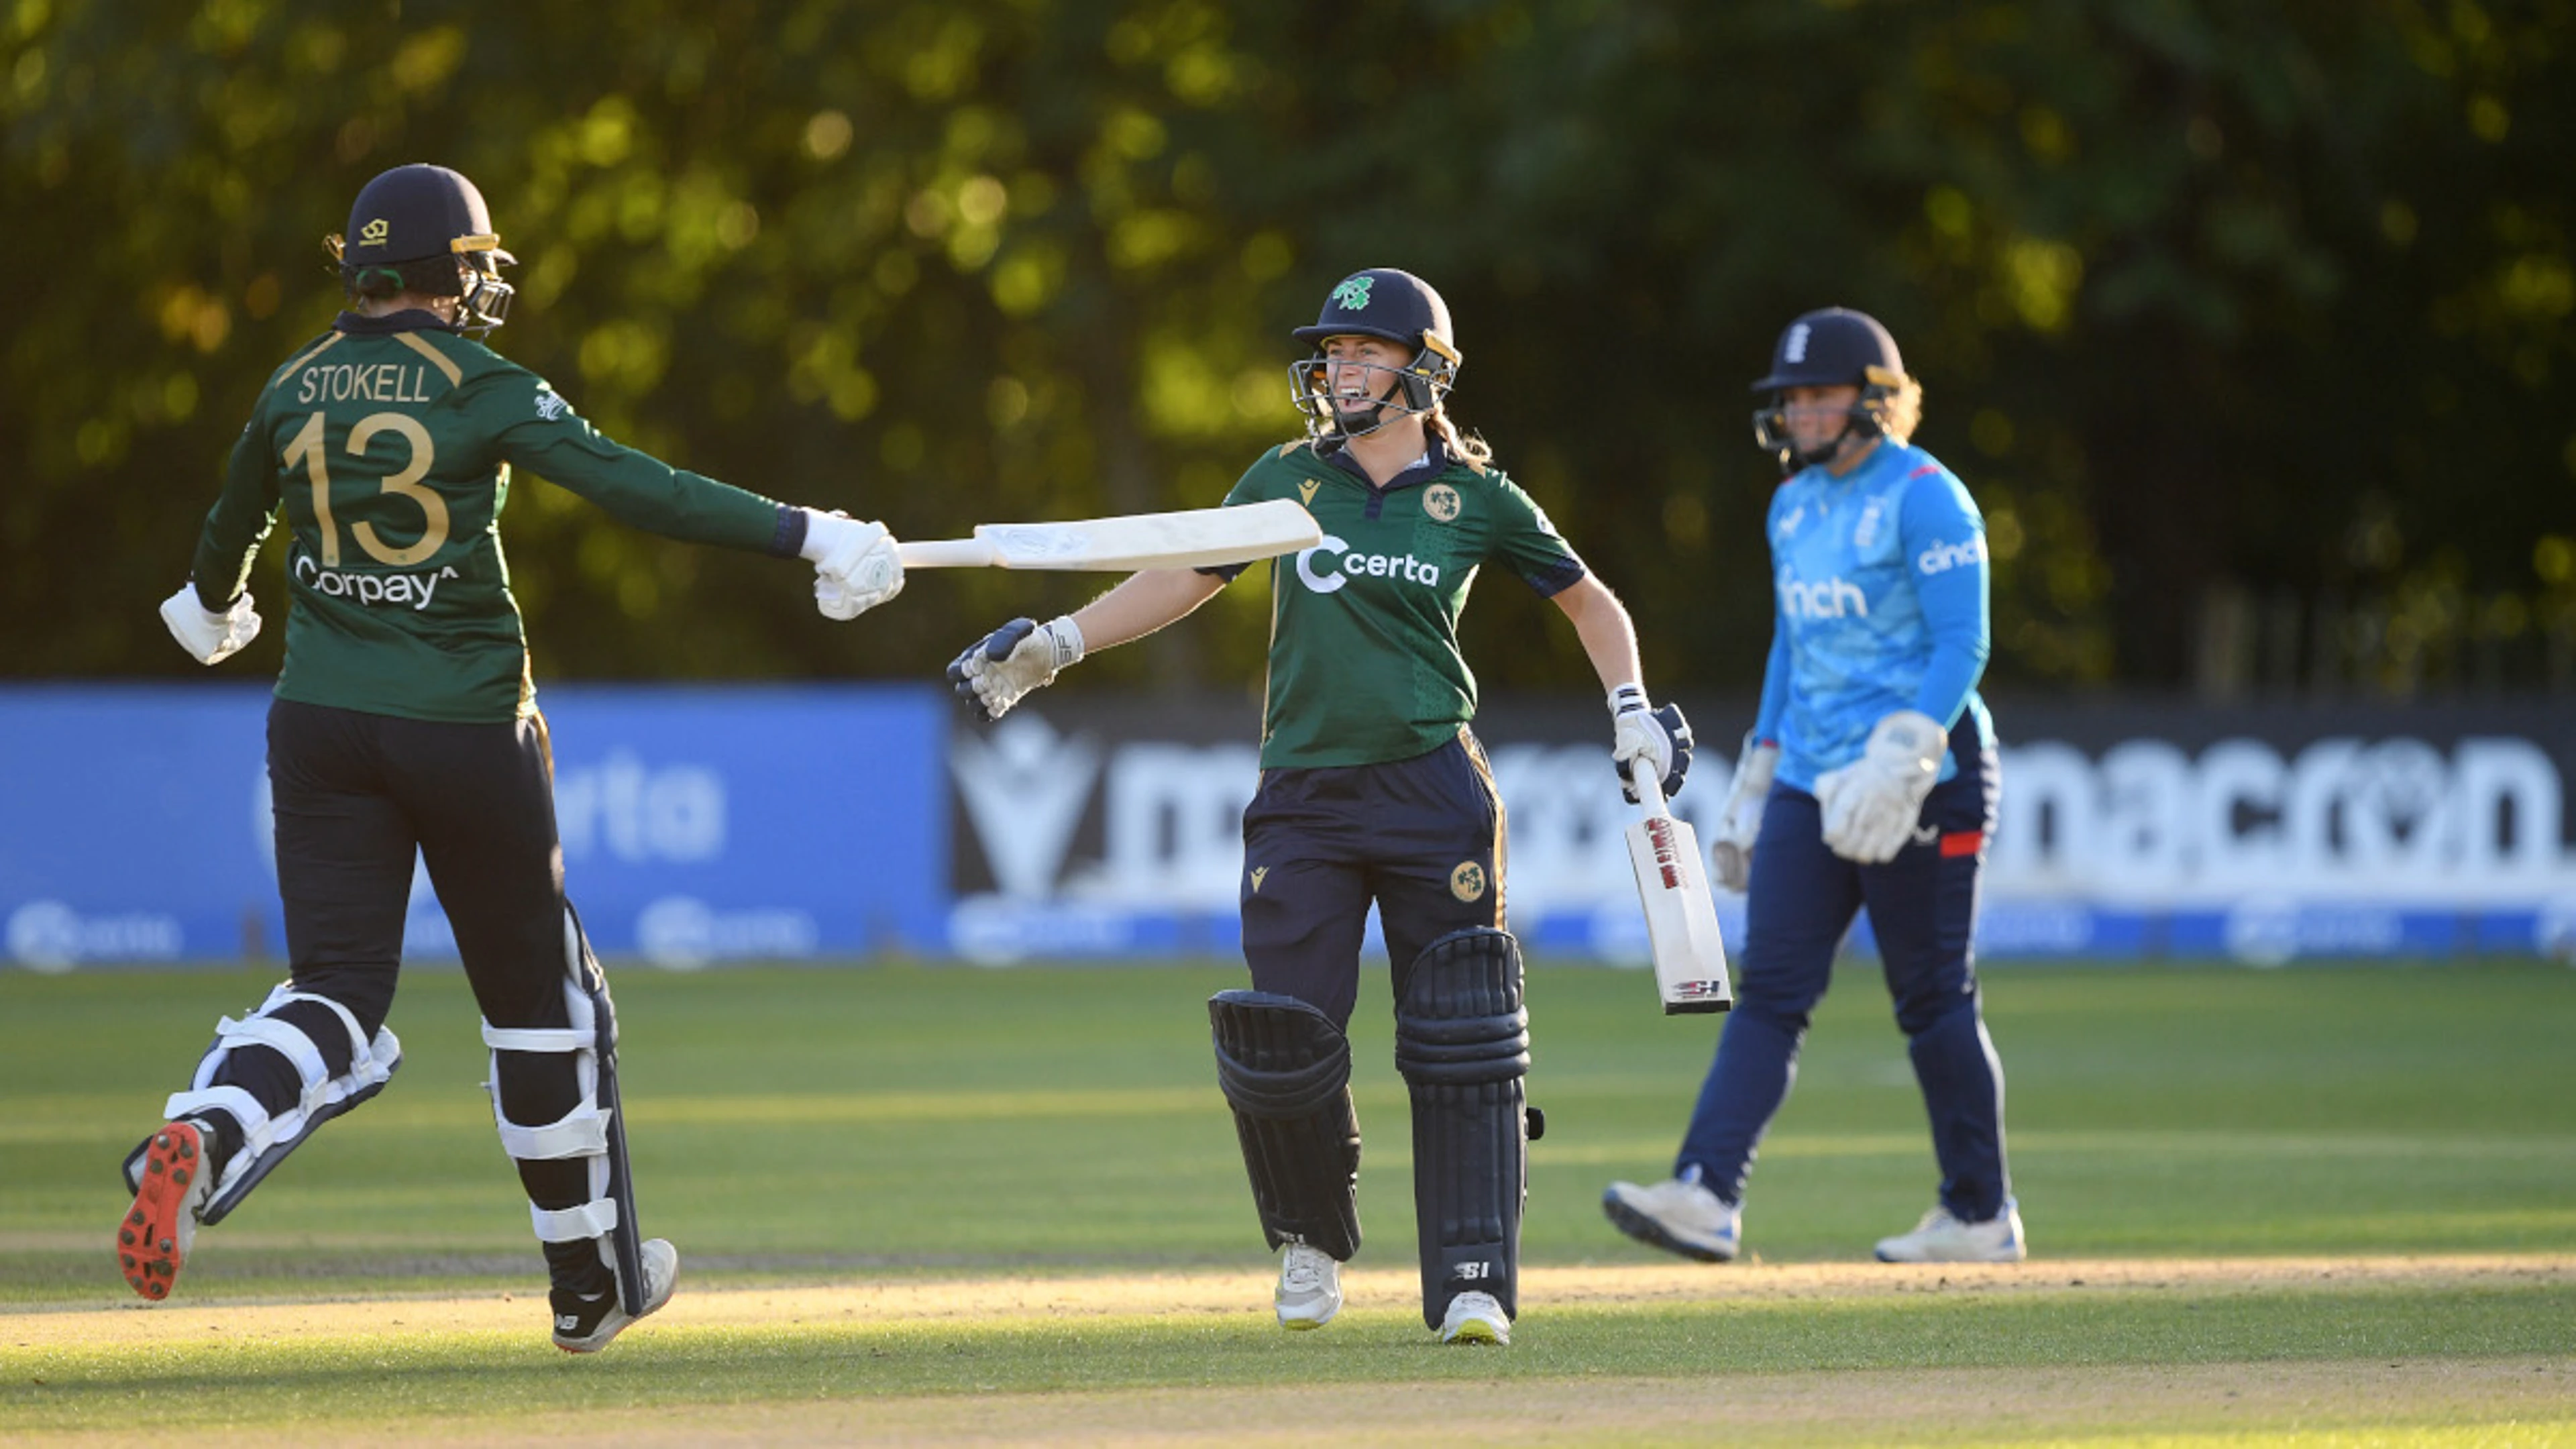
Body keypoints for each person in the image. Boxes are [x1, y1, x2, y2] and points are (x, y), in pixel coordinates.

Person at [122, 162, 905, 1352]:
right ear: (448, 273)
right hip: (468, 724)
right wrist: (810, 534)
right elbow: (637, 490)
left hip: (319, 725)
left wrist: (216, 605)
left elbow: (232, 526)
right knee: (543, 1005)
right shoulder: (480, 383)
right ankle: (590, 1287)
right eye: (477, 264)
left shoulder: (292, 383)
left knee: (335, 992)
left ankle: (210, 1127)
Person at [946, 268, 1693, 1346]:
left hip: (1434, 787)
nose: (1339, 369)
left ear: (1422, 370)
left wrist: (1630, 709)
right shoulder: (1287, 478)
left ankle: (1474, 1277)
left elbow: (1589, 599)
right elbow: (1182, 574)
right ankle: (1308, 1244)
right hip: (1303, 793)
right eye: (1332, 354)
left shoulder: (1477, 496)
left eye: (1363, 352)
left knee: (1463, 1035)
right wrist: (1059, 645)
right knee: (1287, 1034)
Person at [1601, 307, 2023, 1265]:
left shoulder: (1927, 495)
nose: (1797, 413)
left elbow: (1965, 642)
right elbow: (1793, 644)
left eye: (1817, 395)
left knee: (1931, 998)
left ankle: (1980, 1212)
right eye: (1788, 398)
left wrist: (1908, 755)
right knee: (1772, 993)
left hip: (1926, 779)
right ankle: (1707, 1192)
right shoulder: (1791, 507)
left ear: (1876, 400)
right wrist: (1758, 769)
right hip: (1808, 777)